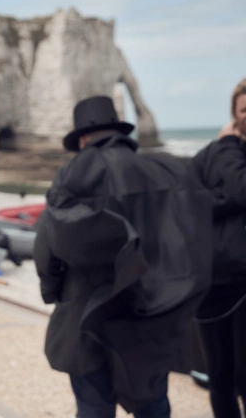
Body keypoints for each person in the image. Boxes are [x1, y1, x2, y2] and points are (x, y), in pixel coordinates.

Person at [33, 96, 213, 417]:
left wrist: (53, 291)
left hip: (85, 315)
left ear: (82, 139)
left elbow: (49, 244)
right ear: (117, 130)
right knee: (153, 404)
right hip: (149, 313)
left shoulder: (72, 174)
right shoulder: (163, 170)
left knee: (93, 408)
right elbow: (190, 232)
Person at [191, 78, 246, 418]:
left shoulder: (223, 151)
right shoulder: (211, 155)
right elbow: (188, 204)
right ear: (233, 114)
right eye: (244, 109)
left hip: (244, 283)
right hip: (213, 283)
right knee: (220, 378)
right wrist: (230, 201)